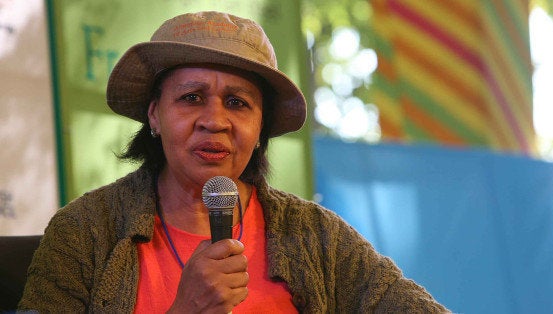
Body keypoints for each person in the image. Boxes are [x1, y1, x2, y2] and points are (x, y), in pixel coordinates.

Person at [19, 11, 449, 313]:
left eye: (237, 103)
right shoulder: (85, 231)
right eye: (191, 98)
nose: (215, 121)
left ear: (261, 127)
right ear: (154, 114)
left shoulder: (317, 236)